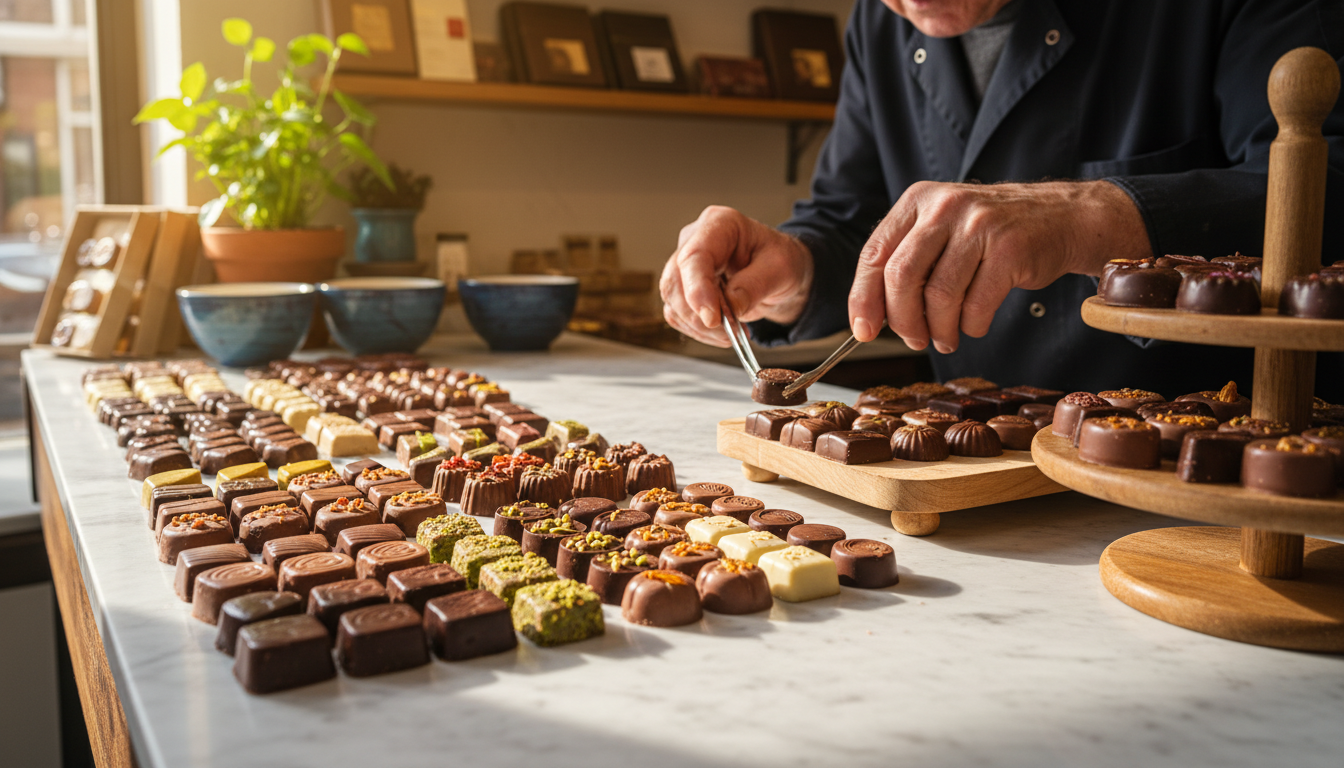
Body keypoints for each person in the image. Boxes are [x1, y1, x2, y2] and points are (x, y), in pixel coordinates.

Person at [660, 0, 1344, 397]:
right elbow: (855, 221)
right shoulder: (880, 22)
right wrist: (795, 270)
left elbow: (1329, 183)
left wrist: (1091, 218)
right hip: (978, 486)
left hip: (1213, 489)